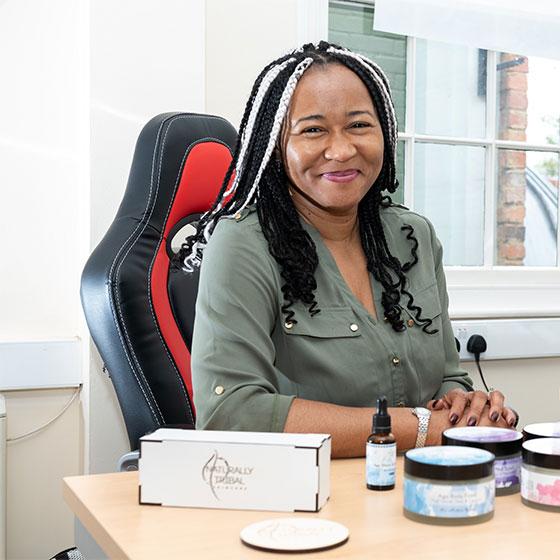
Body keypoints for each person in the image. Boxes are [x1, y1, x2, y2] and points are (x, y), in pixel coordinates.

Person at [181, 41, 516, 457]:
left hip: (420, 483)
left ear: (384, 132)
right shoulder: (244, 244)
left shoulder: (413, 236)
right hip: (306, 498)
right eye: (313, 129)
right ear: (276, 144)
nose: (341, 150)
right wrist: (422, 428)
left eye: (359, 125)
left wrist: (467, 411)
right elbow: (230, 413)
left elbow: (447, 378)